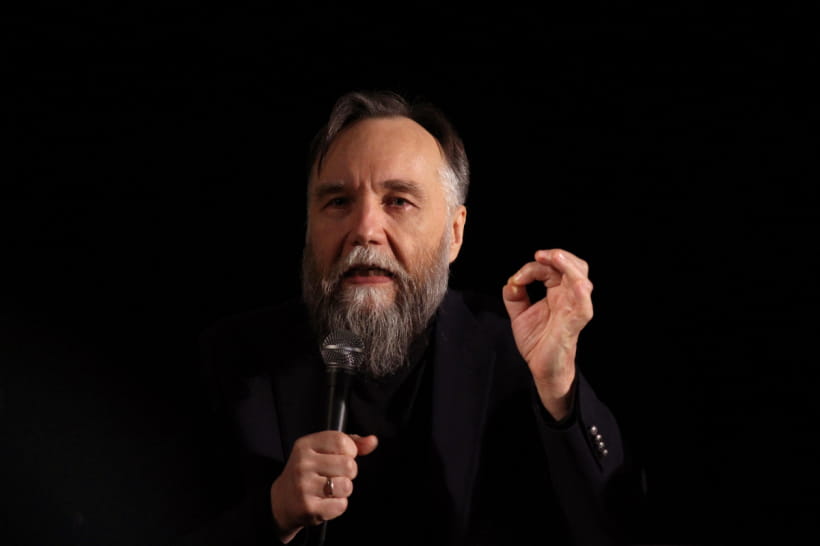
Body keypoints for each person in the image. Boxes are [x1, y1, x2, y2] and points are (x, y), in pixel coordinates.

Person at [186, 90, 645, 546]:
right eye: (338, 202)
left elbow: (616, 527)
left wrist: (558, 386)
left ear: (454, 234)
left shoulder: (514, 351)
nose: (365, 229)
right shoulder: (231, 359)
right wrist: (273, 514)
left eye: (398, 201)